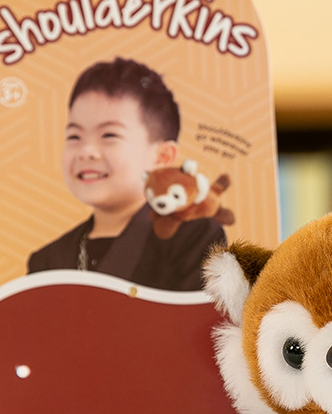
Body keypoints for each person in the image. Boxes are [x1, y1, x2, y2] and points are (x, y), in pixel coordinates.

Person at [27, 57, 226, 291]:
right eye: (74, 137)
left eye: (109, 135)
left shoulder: (193, 237)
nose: (86, 151)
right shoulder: (47, 262)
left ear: (162, 157)